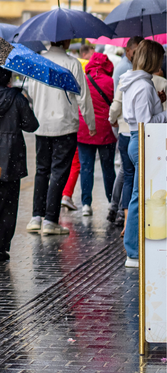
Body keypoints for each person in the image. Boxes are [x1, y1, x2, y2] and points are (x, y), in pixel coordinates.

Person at [25, 39, 94, 236]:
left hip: (42, 125)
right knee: (59, 172)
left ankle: (36, 216)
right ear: (66, 40)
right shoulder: (72, 64)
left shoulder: (38, 62)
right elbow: (83, 96)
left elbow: (31, 92)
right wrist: (91, 123)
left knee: (42, 170)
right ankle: (50, 220)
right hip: (65, 126)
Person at [0, 68, 38, 262]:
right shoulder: (16, 97)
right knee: (7, 206)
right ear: (7, 78)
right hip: (10, 158)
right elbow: (31, 125)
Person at [119, 40, 167, 269]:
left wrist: (159, 102)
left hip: (136, 140)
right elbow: (145, 122)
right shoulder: (144, 86)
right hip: (143, 141)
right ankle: (133, 251)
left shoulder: (134, 82)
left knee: (140, 196)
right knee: (140, 197)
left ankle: (135, 247)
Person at [62, 53, 117, 216]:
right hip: (106, 130)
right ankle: (111, 201)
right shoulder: (111, 82)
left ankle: (86, 204)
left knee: (86, 168)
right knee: (108, 168)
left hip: (84, 129)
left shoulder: (83, 81)